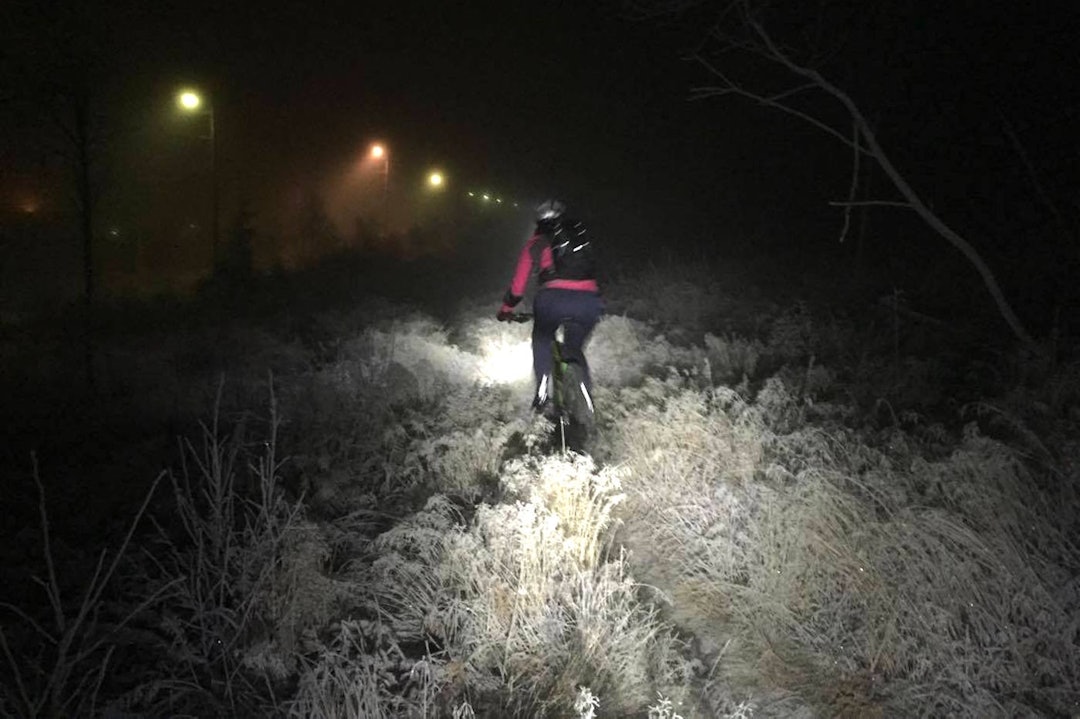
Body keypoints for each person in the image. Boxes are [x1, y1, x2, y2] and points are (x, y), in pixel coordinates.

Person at [497, 199, 603, 414]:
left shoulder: (535, 243)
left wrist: (506, 309)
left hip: (552, 300)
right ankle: (583, 389)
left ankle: (542, 389)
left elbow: (518, 287)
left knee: (542, 338)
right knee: (574, 349)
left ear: (538, 222)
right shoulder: (578, 239)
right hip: (589, 300)